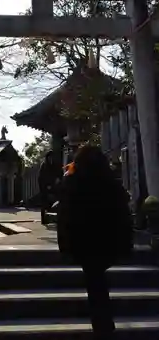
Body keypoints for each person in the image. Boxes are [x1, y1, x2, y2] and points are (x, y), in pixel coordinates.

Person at [57, 144, 133, 340]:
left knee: (94, 280)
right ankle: (104, 324)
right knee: (97, 279)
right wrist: (126, 243)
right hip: (107, 240)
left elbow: (64, 215)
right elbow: (124, 214)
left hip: (83, 240)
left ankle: (102, 324)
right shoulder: (111, 182)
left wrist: (64, 245)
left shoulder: (73, 181)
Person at [38, 150, 56, 225]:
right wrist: (45, 186)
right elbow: (41, 177)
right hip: (44, 187)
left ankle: (48, 219)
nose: (51, 158)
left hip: (51, 187)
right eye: (50, 157)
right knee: (44, 204)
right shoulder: (44, 165)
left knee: (50, 203)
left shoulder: (52, 165)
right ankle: (44, 220)